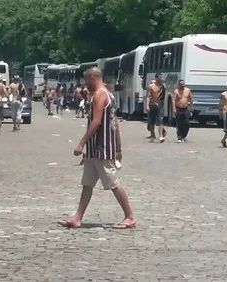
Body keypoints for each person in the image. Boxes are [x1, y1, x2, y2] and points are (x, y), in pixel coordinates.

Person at [57, 67, 136, 229]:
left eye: (87, 80)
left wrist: (81, 142)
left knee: (112, 183)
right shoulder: (109, 95)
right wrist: (119, 147)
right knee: (87, 183)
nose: (85, 84)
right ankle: (77, 217)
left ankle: (130, 216)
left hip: (102, 148)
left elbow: (97, 121)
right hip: (95, 150)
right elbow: (115, 123)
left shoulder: (100, 95)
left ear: (93, 77)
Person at [145, 73, 166, 143]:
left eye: (161, 77)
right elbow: (148, 96)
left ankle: (160, 136)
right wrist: (147, 106)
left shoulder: (163, 86)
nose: (160, 79)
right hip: (152, 105)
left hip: (160, 105)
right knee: (152, 121)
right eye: (159, 78)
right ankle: (152, 135)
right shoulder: (151, 86)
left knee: (160, 120)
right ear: (156, 78)